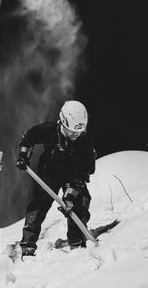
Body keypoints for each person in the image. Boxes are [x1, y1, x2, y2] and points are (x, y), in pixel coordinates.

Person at [15, 100, 97, 257]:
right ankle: (28, 244)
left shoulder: (84, 143)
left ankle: (77, 241)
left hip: (73, 176)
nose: (75, 135)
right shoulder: (49, 130)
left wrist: (70, 196)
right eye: (71, 131)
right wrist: (24, 155)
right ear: (62, 122)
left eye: (78, 132)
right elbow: (28, 138)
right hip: (49, 171)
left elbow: (84, 172)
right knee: (39, 203)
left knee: (80, 203)